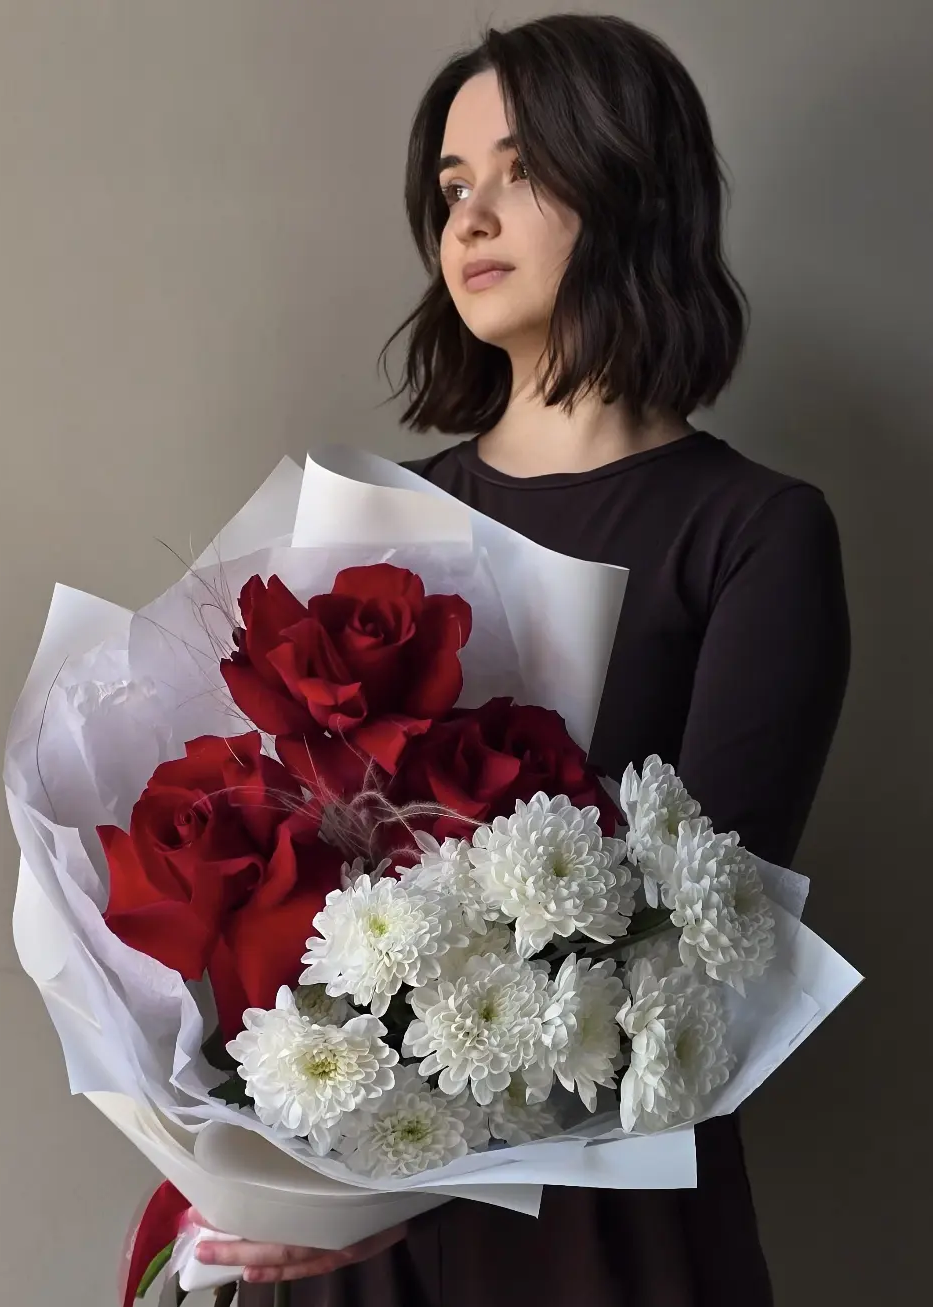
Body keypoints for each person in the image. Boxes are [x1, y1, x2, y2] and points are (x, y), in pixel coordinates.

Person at [197, 12, 850, 1305]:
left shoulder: (755, 532)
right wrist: (276, 1170)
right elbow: (284, 887)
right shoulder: (378, 525)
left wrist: (374, 1192)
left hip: (592, 1226)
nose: (472, 219)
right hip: (349, 1212)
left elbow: (699, 949)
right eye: (452, 188)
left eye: (522, 170)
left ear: (630, 187)